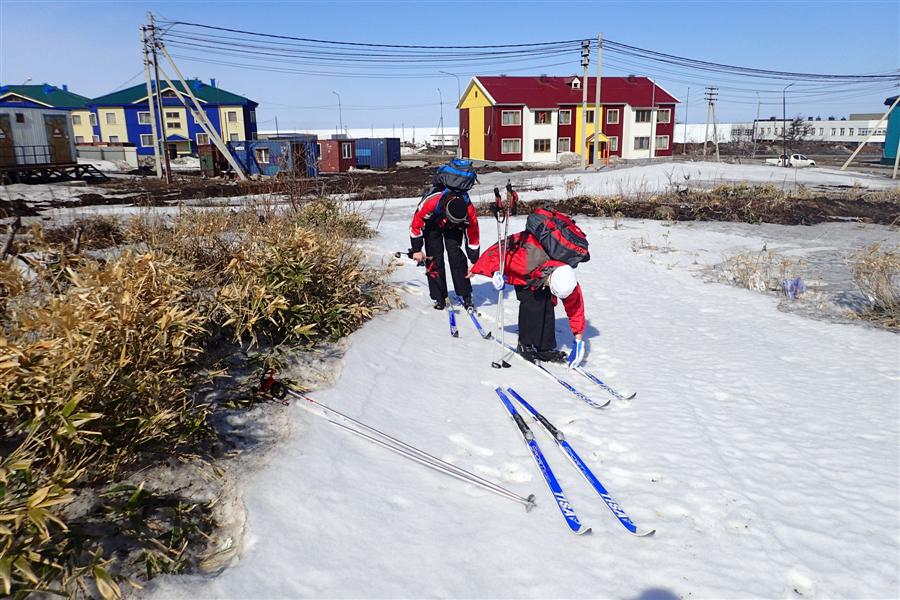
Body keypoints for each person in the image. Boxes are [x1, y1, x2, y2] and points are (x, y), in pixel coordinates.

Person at [469, 230, 586, 368]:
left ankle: (545, 347)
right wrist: (491, 272)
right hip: (525, 266)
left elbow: (575, 308)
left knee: (548, 304)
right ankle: (524, 344)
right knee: (531, 302)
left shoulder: (567, 279)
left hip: (541, 267)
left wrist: (578, 340)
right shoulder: (525, 261)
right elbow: (499, 252)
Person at [410, 189, 480, 310]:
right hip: (432, 224)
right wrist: (416, 249)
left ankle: (465, 294)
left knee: (455, 254)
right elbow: (416, 224)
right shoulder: (431, 202)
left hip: (454, 226)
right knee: (433, 257)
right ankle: (439, 296)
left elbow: (473, 234)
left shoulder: (468, 210)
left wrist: (474, 261)